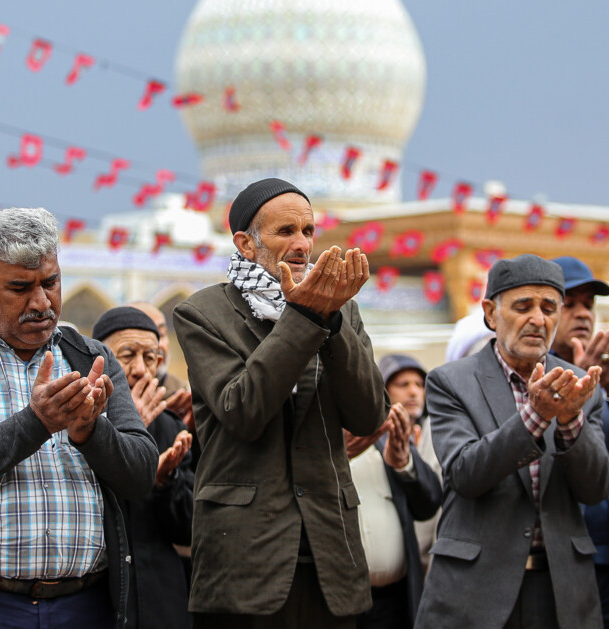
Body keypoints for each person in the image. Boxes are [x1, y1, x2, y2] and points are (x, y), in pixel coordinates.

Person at [0, 207, 156, 628]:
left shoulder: (92, 357)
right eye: (20, 288)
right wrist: (37, 422)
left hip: (86, 604)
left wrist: (91, 432)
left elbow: (141, 472)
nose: (41, 302)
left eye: (50, 283)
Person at [174, 177, 388, 627]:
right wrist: (305, 317)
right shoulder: (204, 313)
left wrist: (328, 321)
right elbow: (243, 411)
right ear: (246, 245)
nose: (301, 244)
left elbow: (370, 412)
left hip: (330, 555)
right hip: (246, 563)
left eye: (308, 231)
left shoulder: (341, 310)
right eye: (285, 231)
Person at [416, 254, 609, 629]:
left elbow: (597, 488)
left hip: (561, 591)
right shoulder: (450, 382)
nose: (538, 319)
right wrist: (536, 418)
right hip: (474, 591)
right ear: (490, 313)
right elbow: (465, 474)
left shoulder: (581, 385)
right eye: (523, 306)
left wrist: (570, 420)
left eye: (550, 307)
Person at [550, 257, 609, 629]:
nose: (582, 314)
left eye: (588, 305)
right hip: (563, 557)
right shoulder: (534, 377)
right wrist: (578, 387)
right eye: (569, 303)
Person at [93, 305, 194, 629]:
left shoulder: (171, 427)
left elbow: (189, 527)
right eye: (127, 355)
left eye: (150, 358)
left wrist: (166, 481)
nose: (139, 369)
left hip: (161, 600)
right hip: (99, 599)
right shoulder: (80, 423)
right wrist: (124, 432)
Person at [345, 377, 441, 629]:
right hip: (339, 605)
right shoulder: (314, 444)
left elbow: (429, 503)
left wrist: (404, 463)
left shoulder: (385, 439)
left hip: (394, 603)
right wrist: (336, 456)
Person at [378, 353, 443, 572]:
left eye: (419, 384)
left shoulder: (439, 432)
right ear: (383, 388)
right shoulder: (367, 439)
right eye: (403, 384)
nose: (414, 391)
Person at [130, 301, 189, 397]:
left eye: (161, 334)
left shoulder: (180, 392)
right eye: (145, 334)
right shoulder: (107, 394)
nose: (157, 345)